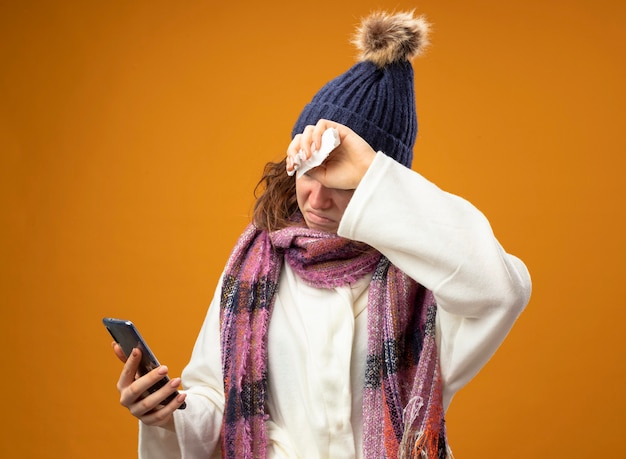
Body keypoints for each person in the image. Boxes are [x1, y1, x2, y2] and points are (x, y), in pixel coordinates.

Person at [112, 10, 531, 459]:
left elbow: (501, 291)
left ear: (377, 182)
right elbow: (218, 404)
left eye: (343, 183)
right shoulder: (256, 265)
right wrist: (168, 415)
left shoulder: (427, 272)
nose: (316, 199)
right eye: (307, 173)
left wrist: (373, 173)